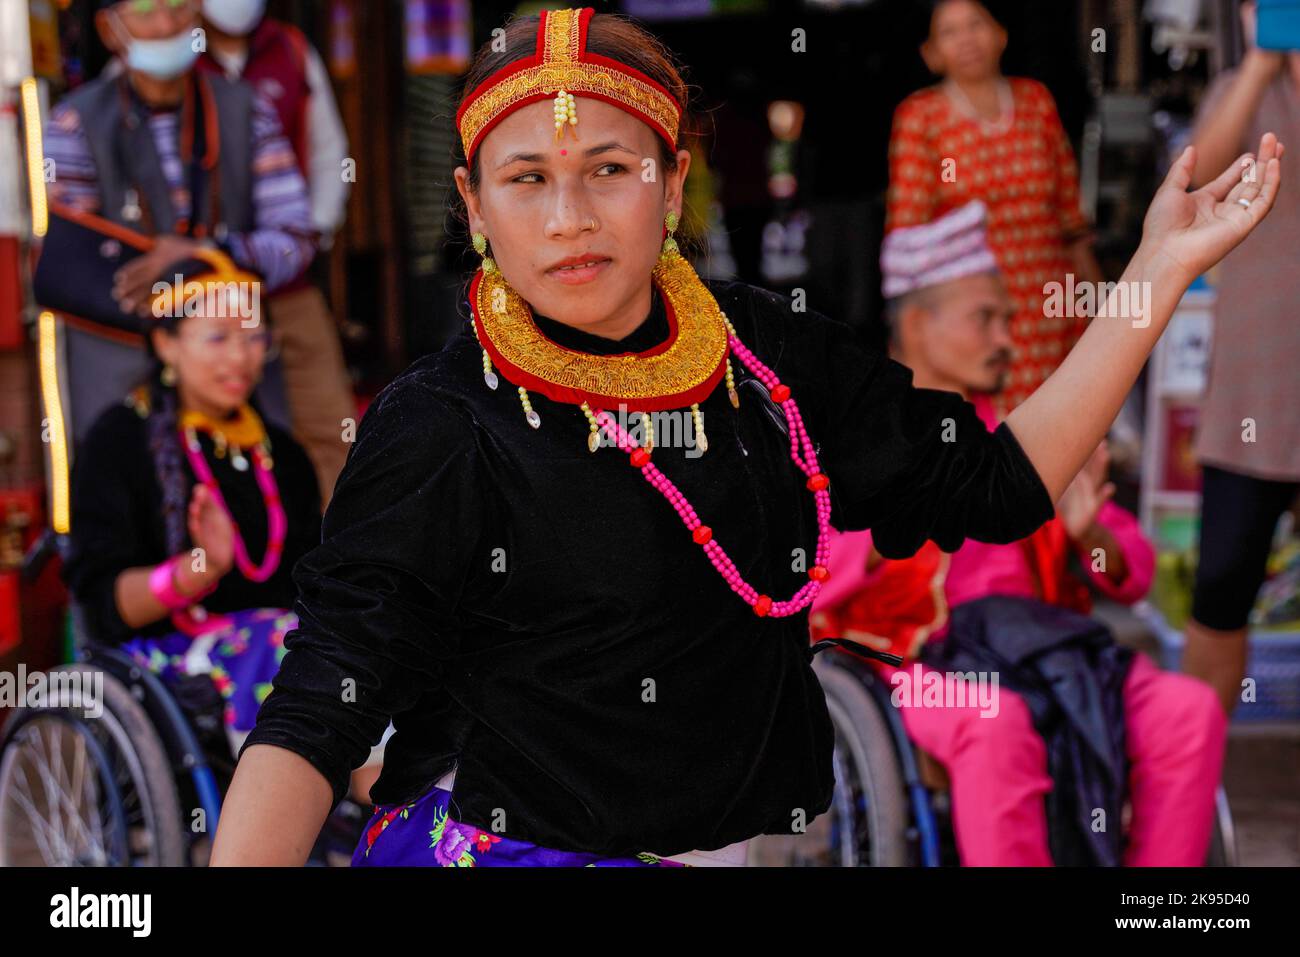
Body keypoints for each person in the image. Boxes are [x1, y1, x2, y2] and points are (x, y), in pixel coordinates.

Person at [208, 7, 1280, 868]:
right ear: (474, 206)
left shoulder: (766, 357)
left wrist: (1155, 274)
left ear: (674, 183)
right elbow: (321, 705)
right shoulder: (442, 423)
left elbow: (991, 483)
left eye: (611, 170)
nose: (569, 215)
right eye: (525, 178)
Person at [810, 201, 1227, 866]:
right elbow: (811, 574)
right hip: (915, 669)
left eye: (1008, 318)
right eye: (986, 319)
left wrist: (1091, 536)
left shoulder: (1035, 428)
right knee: (995, 724)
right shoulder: (862, 435)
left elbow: (1135, 570)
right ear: (919, 323)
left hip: (1041, 654)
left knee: (1187, 709)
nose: (1007, 337)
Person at [42, 0, 335, 502]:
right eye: (146, 12)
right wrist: (206, 275)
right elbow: (72, 261)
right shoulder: (74, 123)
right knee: (126, 497)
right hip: (121, 351)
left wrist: (200, 255)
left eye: (179, 10)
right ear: (110, 30)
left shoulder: (245, 109)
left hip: (236, 354)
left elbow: (295, 239)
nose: (166, 26)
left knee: (263, 492)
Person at [61, 260, 321, 760]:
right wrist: (199, 569)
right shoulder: (119, 442)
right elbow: (106, 604)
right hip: (165, 665)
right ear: (166, 343)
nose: (242, 358)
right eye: (218, 337)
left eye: (253, 338)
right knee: (286, 643)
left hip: (284, 647)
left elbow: (313, 575)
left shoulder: (282, 453)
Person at [886, 0, 1104, 413]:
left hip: (1053, 302)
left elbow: (1070, 217)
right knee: (997, 440)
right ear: (931, 54)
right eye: (950, 32)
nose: (967, 39)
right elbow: (908, 233)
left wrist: (1096, 305)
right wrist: (912, 335)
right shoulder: (921, 116)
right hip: (978, 315)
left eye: (976, 25)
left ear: (1001, 35)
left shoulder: (1036, 100)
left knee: (1066, 426)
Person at [1181, 0, 1300, 716]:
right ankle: (1190, 760)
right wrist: (1262, 62)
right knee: (1222, 579)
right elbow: (1198, 176)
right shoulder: (1239, 90)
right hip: (1254, 387)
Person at [197, 0, 357, 508]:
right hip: (199, 297)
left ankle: (339, 559)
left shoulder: (290, 50)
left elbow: (330, 152)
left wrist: (312, 236)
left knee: (331, 423)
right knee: (214, 432)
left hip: (285, 285)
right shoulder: (171, 54)